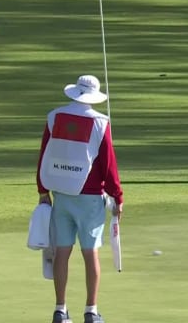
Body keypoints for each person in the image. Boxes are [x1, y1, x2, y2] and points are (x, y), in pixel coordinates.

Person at [36, 75, 124, 323]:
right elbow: (109, 164)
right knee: (90, 253)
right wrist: (118, 195)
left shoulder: (54, 116)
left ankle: (60, 309)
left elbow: (45, 153)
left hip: (61, 193)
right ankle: (91, 311)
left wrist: (43, 190)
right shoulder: (100, 121)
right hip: (90, 196)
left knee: (62, 252)